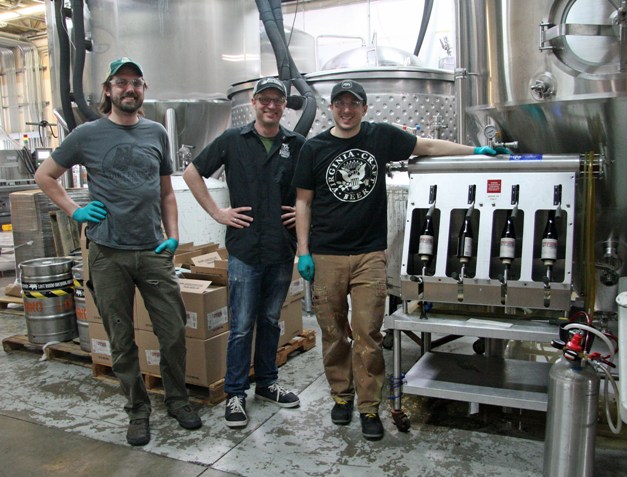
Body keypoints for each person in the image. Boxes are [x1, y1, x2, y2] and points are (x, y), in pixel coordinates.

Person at [293, 79, 508, 441]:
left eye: (354, 103)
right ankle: (341, 397)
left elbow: (427, 145)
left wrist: (474, 151)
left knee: (368, 335)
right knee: (332, 334)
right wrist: (303, 253)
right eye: (340, 103)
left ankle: (367, 407)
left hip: (369, 256)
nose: (347, 110)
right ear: (331, 108)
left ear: (364, 108)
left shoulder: (379, 137)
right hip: (326, 255)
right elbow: (303, 202)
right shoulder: (314, 148)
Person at [34, 57, 201, 446]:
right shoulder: (87, 134)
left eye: (137, 83)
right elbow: (45, 175)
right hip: (108, 253)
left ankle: (177, 401)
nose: (130, 89)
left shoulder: (156, 133)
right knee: (121, 337)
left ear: (143, 90)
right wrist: (75, 210)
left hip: (153, 250)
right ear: (108, 90)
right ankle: (138, 410)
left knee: (173, 331)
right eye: (122, 82)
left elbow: (165, 192)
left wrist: (173, 236)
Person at [183, 77, 306, 428]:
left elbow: (311, 189)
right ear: (253, 102)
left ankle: (267, 383)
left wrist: (303, 212)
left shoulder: (295, 144)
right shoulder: (232, 140)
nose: (270, 105)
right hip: (245, 250)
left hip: (281, 249)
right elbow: (192, 173)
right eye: (264, 99)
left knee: (270, 321)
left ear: (284, 106)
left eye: (277, 100)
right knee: (240, 326)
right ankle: (236, 393)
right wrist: (217, 213)